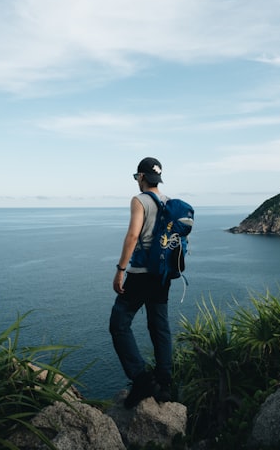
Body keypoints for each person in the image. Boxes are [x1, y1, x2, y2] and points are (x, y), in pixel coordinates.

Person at [109, 156, 174, 407]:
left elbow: (133, 235)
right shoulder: (169, 202)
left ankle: (142, 379)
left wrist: (120, 270)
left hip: (140, 275)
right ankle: (165, 384)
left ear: (141, 177)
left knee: (119, 324)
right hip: (163, 275)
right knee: (159, 327)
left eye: (137, 177)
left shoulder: (139, 200)